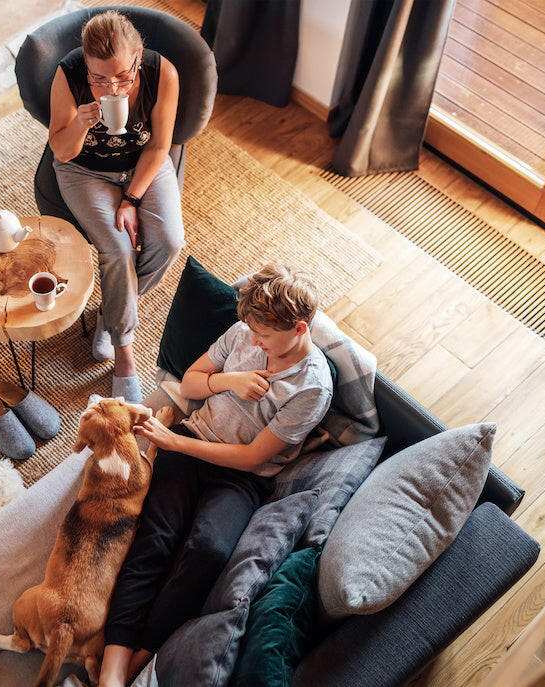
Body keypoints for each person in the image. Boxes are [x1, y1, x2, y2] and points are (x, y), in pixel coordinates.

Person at [97, 264, 335, 686]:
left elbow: (249, 458)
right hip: (193, 440)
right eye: (252, 331)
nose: (255, 340)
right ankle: (113, 669)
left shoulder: (311, 387)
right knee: (156, 538)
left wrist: (173, 444)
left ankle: (141, 656)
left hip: (240, 477)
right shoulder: (245, 334)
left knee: (208, 551)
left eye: (264, 335)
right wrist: (229, 380)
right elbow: (189, 383)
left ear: (299, 328)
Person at [48, 10, 185, 402]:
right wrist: (81, 122)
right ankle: (124, 352)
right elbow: (61, 149)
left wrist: (131, 200)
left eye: (123, 77)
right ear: (85, 65)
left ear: (139, 57)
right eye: (99, 78)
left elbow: (160, 146)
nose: (113, 89)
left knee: (170, 240)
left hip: (143, 162)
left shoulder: (163, 74)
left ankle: (110, 312)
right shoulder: (69, 75)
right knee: (118, 248)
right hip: (84, 171)